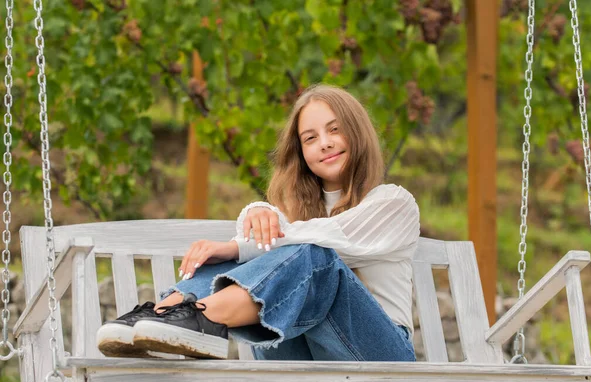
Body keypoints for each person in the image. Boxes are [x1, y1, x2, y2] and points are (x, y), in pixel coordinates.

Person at [96, 83, 420, 362]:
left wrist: (238, 245)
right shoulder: (294, 214)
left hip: (382, 352)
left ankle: (202, 318)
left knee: (315, 258)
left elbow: (330, 238)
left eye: (335, 129)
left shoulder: (393, 203)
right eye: (310, 138)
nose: (324, 142)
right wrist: (255, 214)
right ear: (301, 152)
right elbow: (275, 241)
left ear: (357, 131)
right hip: (304, 348)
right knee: (242, 257)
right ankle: (165, 313)